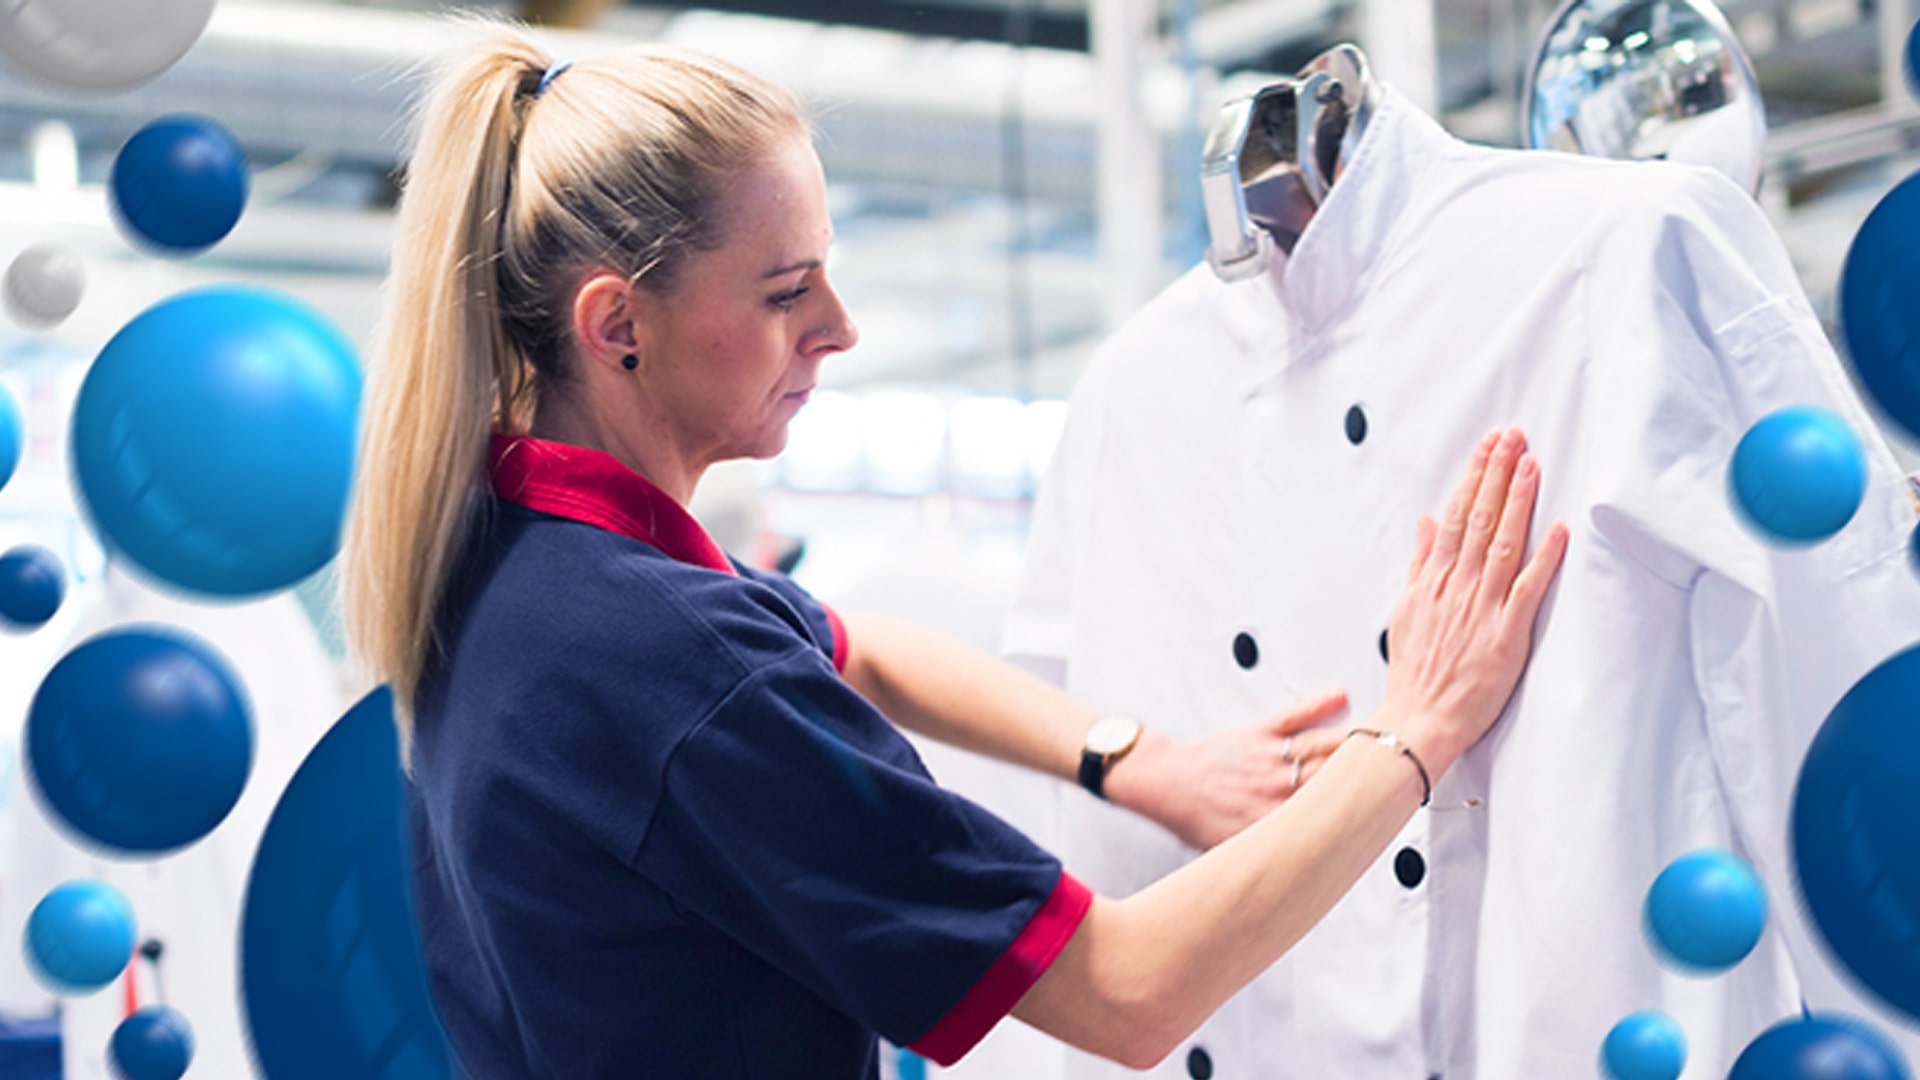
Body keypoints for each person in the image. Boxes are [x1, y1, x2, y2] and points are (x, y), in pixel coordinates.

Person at [338, 21, 1567, 1078]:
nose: (841, 327)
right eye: (785, 293)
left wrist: (1130, 763)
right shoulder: (673, 664)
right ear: (617, 326)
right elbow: (1129, 991)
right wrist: (1413, 733)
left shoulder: (524, 561)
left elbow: (856, 652)